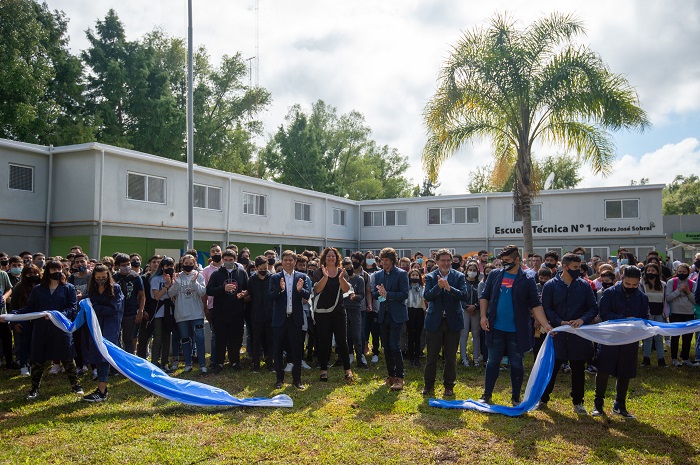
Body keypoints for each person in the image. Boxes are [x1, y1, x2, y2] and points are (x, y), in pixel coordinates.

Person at [479, 246, 552, 405]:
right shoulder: (494, 275)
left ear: (517, 260)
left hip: (517, 330)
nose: (504, 264)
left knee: (517, 363)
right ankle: (486, 395)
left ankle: (515, 397)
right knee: (493, 362)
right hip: (495, 328)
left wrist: (545, 324)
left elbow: (535, 304)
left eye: (508, 261)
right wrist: (483, 316)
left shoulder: (527, 279)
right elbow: (485, 296)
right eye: (502, 261)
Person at [7, 260, 83, 400]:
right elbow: (30, 308)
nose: (57, 272)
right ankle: (34, 388)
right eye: (53, 270)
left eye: (59, 269)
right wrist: (12, 316)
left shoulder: (68, 288)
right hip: (41, 329)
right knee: (38, 359)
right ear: (47, 271)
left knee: (67, 358)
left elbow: (72, 309)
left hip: (61, 328)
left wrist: (56, 315)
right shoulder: (38, 289)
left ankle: (76, 385)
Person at [538, 253, 599, 414]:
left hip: (578, 334)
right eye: (575, 268)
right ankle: (543, 398)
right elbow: (546, 308)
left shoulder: (584, 286)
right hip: (557, 334)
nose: (578, 271)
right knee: (552, 368)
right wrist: (559, 322)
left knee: (578, 369)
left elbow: (593, 307)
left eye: (579, 267)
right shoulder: (550, 285)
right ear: (565, 267)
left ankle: (578, 401)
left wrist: (582, 319)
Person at [592, 266, 649, 418]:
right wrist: (624, 320)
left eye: (634, 285)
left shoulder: (642, 297)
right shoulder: (609, 293)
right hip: (610, 337)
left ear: (639, 282)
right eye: (628, 284)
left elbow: (645, 317)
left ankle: (620, 404)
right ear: (621, 279)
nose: (631, 287)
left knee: (625, 371)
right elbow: (604, 313)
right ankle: (598, 403)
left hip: (630, 340)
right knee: (603, 369)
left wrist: (637, 323)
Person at [421, 249, 467, 397]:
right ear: (437, 262)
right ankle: (429, 385)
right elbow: (427, 296)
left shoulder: (459, 276)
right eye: (443, 260)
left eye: (448, 260)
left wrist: (449, 288)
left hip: (452, 321)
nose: (446, 263)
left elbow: (464, 295)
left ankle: (449, 386)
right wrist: (439, 287)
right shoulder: (430, 277)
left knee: (451, 357)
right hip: (435, 321)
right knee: (432, 356)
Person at [269, 250, 310, 389]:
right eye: (285, 260)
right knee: (278, 350)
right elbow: (270, 296)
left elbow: (308, 294)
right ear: (282, 261)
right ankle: (279, 379)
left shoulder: (301, 276)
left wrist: (300, 290)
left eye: (291, 260)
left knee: (297, 350)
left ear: (295, 262)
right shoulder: (275, 278)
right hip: (280, 320)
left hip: (295, 319)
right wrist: (280, 290)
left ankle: (297, 380)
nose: (288, 262)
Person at [83, 264, 124, 402]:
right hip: (95, 325)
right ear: (94, 277)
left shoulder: (115, 288)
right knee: (96, 354)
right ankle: (101, 388)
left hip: (110, 326)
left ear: (108, 276)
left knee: (104, 356)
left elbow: (114, 308)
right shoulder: (92, 289)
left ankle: (102, 390)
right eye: (98, 277)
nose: (101, 280)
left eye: (103, 277)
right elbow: (87, 304)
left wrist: (95, 307)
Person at [312, 247, 353, 382]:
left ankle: (348, 370)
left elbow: (346, 289)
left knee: (342, 341)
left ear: (337, 259)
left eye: (333, 256)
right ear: (324, 258)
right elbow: (317, 289)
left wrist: (341, 278)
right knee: (324, 341)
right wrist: (325, 277)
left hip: (339, 311)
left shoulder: (342, 272)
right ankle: (323, 370)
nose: (331, 258)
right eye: (328, 256)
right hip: (322, 312)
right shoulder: (318, 272)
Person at [372, 247, 409, 391]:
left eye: (387, 260)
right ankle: (391, 375)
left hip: (396, 314)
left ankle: (400, 377)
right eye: (382, 260)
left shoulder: (401, 274)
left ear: (393, 261)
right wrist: (379, 293)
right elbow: (376, 293)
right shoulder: (379, 274)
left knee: (394, 346)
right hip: (383, 314)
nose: (384, 263)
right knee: (386, 346)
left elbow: (404, 294)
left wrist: (388, 294)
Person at [206, 250, 249, 373]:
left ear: (235, 260)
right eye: (226, 260)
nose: (228, 262)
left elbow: (247, 289)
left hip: (237, 312)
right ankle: (219, 362)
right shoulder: (216, 274)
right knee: (220, 338)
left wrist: (244, 293)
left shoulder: (241, 273)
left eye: (231, 260)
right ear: (222, 260)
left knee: (236, 338)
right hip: (220, 312)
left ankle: (235, 361)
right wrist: (222, 288)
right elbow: (209, 290)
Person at [165, 254, 208, 373]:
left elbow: (202, 292)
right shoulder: (177, 276)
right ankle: (188, 364)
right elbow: (170, 294)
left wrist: (194, 282)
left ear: (194, 264)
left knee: (199, 338)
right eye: (186, 263)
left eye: (191, 264)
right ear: (182, 264)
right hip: (182, 314)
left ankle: (202, 364)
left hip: (196, 313)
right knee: (185, 339)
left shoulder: (199, 276)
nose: (188, 266)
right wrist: (176, 282)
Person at [10, 264, 42, 375]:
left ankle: (34, 364)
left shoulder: (42, 285)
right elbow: (13, 306)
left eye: (35, 273)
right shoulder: (19, 287)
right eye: (29, 274)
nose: (33, 276)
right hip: (23, 318)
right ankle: (23, 365)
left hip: (39, 319)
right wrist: (15, 322)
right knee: (24, 343)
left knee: (36, 343)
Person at [665, 263, 698, 367]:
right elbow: (668, 297)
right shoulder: (671, 282)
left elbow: (695, 301)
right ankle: (674, 358)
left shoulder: (692, 283)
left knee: (687, 338)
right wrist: (678, 291)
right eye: (679, 272)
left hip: (688, 313)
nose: (681, 274)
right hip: (675, 313)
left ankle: (685, 358)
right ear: (676, 272)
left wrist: (688, 291)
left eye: (684, 272)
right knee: (675, 337)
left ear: (688, 272)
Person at [112, 253, 145, 354]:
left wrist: (140, 311)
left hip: (130, 313)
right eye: (123, 265)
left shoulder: (135, 277)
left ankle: (129, 362)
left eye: (128, 264)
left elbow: (142, 295)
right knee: (115, 338)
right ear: (117, 266)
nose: (127, 267)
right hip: (116, 312)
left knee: (129, 339)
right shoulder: (114, 278)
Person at [247, 256, 274, 372]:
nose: (264, 270)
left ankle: (270, 364)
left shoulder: (272, 278)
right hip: (256, 314)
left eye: (265, 268)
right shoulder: (252, 280)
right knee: (256, 340)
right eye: (261, 269)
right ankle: (256, 365)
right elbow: (250, 295)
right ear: (256, 268)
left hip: (270, 314)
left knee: (270, 339)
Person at [343, 257, 367, 369]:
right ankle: (349, 355)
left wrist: (355, 296)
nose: (349, 270)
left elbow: (362, 295)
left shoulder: (359, 279)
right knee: (346, 335)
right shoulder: (341, 280)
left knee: (357, 334)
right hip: (344, 309)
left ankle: (360, 357)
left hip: (356, 309)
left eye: (350, 268)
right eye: (346, 269)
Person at [641, 263, 667, 367]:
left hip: (659, 313)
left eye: (653, 270)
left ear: (657, 272)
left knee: (659, 337)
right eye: (648, 271)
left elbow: (665, 300)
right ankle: (646, 359)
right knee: (648, 338)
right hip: (648, 314)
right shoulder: (642, 284)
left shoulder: (663, 285)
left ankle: (661, 359)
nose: (650, 272)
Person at [460, 261, 481, 367]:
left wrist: (476, 306)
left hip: (476, 311)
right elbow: (459, 296)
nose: (472, 272)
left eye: (474, 270)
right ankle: (463, 358)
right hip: (464, 310)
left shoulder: (479, 283)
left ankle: (476, 358)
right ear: (466, 271)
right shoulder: (462, 282)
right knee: (463, 334)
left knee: (476, 334)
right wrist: (466, 307)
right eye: (470, 270)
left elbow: (482, 297)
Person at [405, 268, 425, 368]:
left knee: (418, 335)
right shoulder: (406, 287)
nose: (414, 277)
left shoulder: (422, 287)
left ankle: (417, 357)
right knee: (410, 335)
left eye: (416, 275)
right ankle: (411, 357)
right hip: (409, 311)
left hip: (419, 312)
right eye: (412, 275)